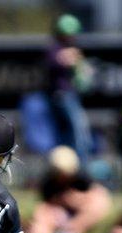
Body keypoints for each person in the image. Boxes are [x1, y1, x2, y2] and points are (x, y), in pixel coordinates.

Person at [27, 146, 110, 233]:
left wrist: (75, 199)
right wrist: (62, 200)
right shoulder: (49, 182)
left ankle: (70, 231)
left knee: (98, 202)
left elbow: (96, 196)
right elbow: (47, 204)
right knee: (41, 213)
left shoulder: (82, 178)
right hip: (58, 213)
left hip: (80, 213)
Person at [45, 13, 94, 166]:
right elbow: (59, 61)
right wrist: (71, 58)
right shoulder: (55, 50)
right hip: (63, 97)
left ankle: (73, 169)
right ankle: (80, 170)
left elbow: (82, 75)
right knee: (79, 135)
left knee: (71, 136)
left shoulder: (70, 50)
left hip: (70, 95)